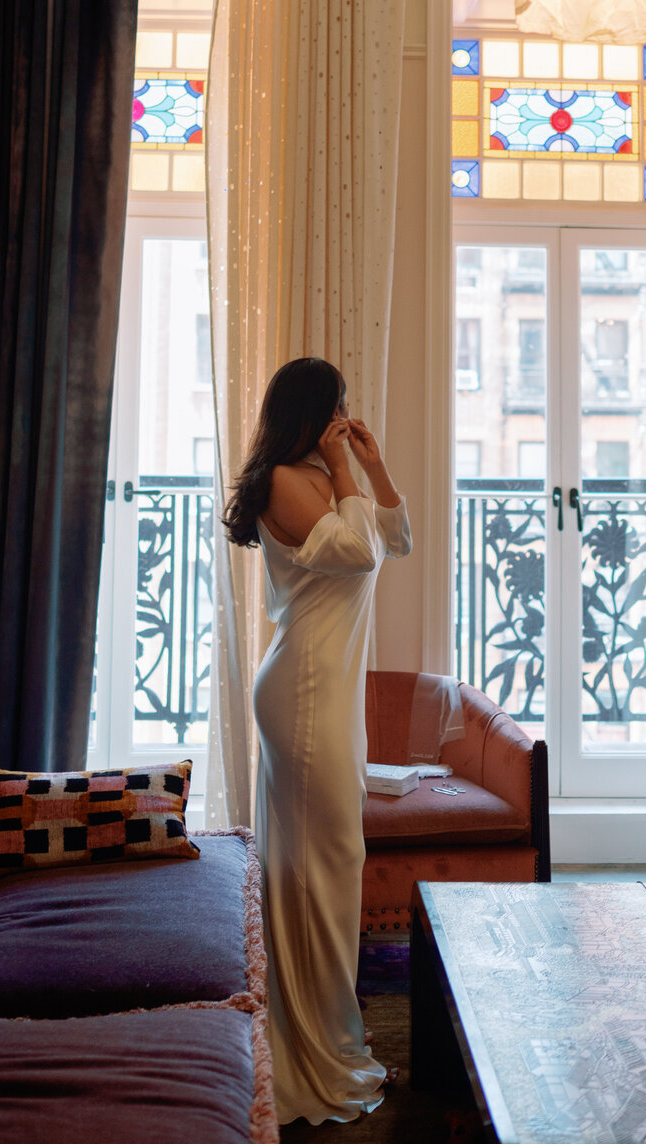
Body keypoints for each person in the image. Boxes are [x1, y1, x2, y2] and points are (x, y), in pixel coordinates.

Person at [223, 356, 411, 1126]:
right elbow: (358, 550)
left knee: (328, 865)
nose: (344, 421)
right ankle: (314, 1052)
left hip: (326, 694)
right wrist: (340, 467)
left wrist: (372, 464)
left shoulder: (327, 478)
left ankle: (331, 1037)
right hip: (302, 694)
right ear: (311, 411)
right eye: (337, 410)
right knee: (319, 869)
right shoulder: (282, 482)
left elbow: (393, 538)